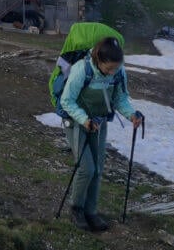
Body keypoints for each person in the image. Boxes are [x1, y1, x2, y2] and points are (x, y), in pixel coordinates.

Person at [58, 36, 143, 232]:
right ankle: (76, 208)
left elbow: (120, 98)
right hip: (76, 123)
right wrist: (84, 120)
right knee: (86, 168)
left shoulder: (119, 71)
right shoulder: (82, 69)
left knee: (97, 168)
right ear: (99, 60)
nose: (112, 72)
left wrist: (131, 115)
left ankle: (91, 211)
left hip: (99, 122)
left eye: (115, 68)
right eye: (109, 68)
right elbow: (67, 101)